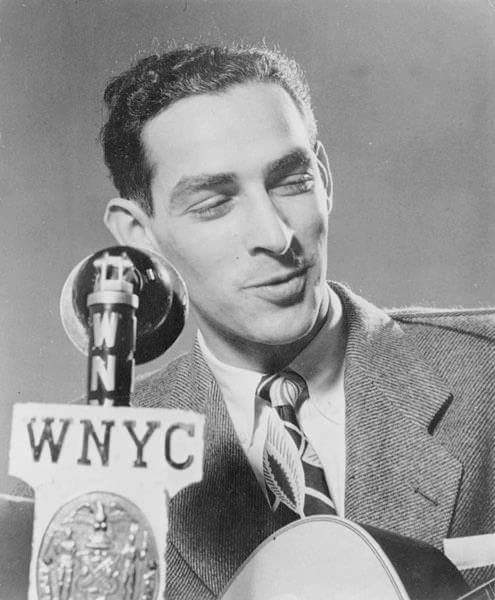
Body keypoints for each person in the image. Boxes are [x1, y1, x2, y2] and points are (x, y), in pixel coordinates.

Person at [101, 44, 495, 599]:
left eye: (291, 181)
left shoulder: (487, 374)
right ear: (139, 236)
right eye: (215, 203)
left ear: (325, 177)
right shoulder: (97, 459)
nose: (276, 236)